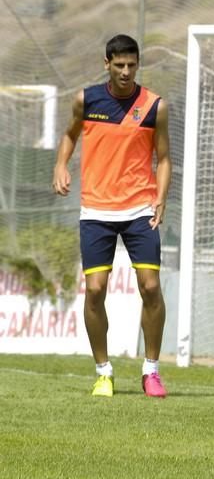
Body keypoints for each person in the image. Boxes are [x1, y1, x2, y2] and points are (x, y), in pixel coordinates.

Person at [52, 34, 172, 398]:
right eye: (119, 65)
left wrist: (162, 198)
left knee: (150, 287)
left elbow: (164, 158)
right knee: (95, 290)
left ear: (138, 64)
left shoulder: (155, 106)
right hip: (96, 209)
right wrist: (60, 164)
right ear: (107, 63)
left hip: (140, 207)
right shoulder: (86, 100)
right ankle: (103, 372)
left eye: (131, 65)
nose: (125, 72)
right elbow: (70, 136)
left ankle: (151, 371)